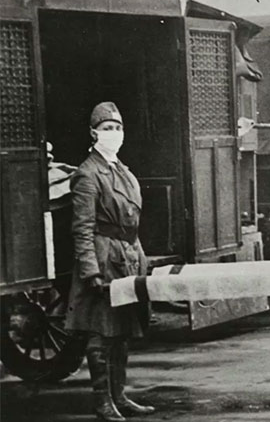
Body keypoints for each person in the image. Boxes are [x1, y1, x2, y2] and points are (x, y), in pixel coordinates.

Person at [65, 102, 155, 421]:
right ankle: (102, 402)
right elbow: (82, 228)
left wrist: (140, 259)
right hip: (104, 258)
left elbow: (131, 220)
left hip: (126, 256)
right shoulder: (88, 173)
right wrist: (91, 270)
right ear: (94, 134)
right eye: (107, 128)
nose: (113, 133)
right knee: (101, 333)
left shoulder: (123, 171)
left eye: (117, 128)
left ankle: (119, 396)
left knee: (122, 330)